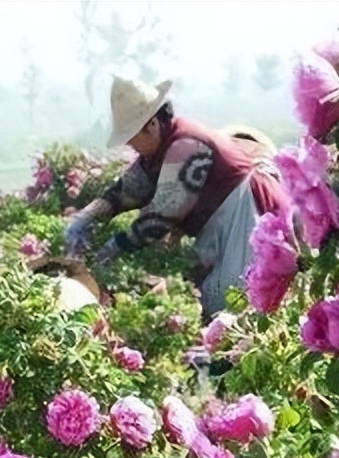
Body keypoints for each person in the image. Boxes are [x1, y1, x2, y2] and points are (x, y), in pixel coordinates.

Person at [65, 75, 288, 320]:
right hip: (222, 223)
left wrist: (115, 246)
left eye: (131, 134)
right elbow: (128, 190)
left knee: (235, 302)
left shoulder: (185, 145)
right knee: (214, 301)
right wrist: (85, 217)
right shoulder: (158, 151)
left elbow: (162, 215)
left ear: (151, 125)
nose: (128, 143)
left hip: (245, 214)